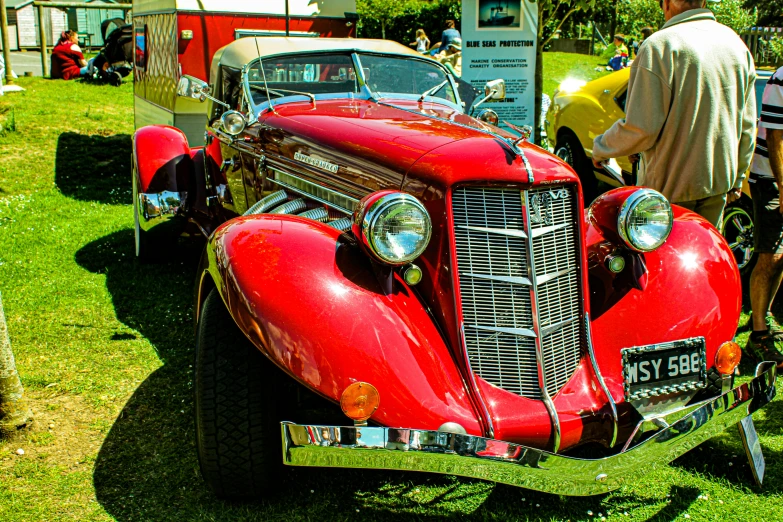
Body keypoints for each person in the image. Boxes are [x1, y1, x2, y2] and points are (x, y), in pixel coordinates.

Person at [591, 0, 756, 228]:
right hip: (718, 186)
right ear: (704, 2)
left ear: (666, 3)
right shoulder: (736, 45)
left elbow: (641, 128)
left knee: (661, 262)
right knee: (704, 260)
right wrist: (736, 179)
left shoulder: (660, 46)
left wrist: (601, 147)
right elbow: (746, 126)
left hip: (668, 195)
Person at [746, 65, 783, 366]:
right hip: (771, 179)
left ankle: (765, 316)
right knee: (769, 255)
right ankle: (758, 336)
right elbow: (775, 137)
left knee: (782, 254)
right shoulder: (781, 78)